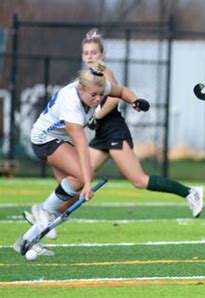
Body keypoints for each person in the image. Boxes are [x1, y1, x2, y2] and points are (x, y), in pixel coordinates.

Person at [24, 28, 204, 241]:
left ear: (102, 55)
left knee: (136, 179)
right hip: (100, 134)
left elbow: (114, 97)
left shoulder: (102, 73)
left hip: (112, 130)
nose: (90, 57)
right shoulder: (87, 78)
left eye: (94, 53)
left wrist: (98, 116)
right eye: (86, 53)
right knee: (78, 180)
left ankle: (190, 192)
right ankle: (44, 224)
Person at [14, 63, 150, 256]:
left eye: (100, 95)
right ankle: (41, 210)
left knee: (69, 197)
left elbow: (120, 91)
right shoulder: (72, 105)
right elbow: (82, 148)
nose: (97, 100)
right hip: (45, 140)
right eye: (93, 95)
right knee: (80, 177)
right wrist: (88, 182)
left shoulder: (97, 86)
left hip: (61, 140)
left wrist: (134, 101)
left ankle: (26, 241)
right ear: (80, 89)